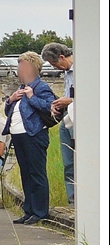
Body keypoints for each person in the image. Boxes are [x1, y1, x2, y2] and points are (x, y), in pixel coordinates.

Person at [3, 52, 57, 225]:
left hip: (34, 135)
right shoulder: (20, 88)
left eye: (22, 66)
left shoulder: (41, 87)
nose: (20, 70)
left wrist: (32, 96)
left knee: (36, 173)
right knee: (26, 174)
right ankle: (29, 210)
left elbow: (50, 107)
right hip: (19, 136)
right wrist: (10, 100)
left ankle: (40, 212)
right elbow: (9, 112)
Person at [40, 42, 75, 204]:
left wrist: (69, 101)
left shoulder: (82, 70)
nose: (55, 68)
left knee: (78, 158)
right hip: (67, 117)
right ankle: (72, 198)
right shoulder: (67, 74)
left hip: (79, 118)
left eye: (55, 64)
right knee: (68, 161)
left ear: (62, 57)